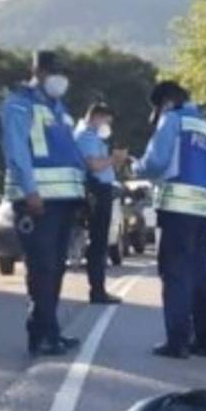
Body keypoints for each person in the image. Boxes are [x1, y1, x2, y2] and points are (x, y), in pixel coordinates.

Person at [0, 50, 86, 356]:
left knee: (56, 268)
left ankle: (51, 331)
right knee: (42, 267)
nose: (60, 80)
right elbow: (16, 150)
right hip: (37, 201)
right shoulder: (19, 104)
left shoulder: (58, 109)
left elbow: (69, 152)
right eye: (54, 73)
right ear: (37, 72)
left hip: (63, 200)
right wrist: (30, 190)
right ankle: (40, 335)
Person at [131, 81, 206, 359]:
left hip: (177, 209)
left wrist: (135, 166)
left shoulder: (172, 120)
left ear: (167, 103)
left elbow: (156, 163)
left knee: (176, 275)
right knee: (204, 277)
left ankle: (178, 342)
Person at [74, 102, 126, 305]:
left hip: (99, 190)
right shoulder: (86, 135)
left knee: (100, 243)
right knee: (98, 243)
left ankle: (99, 289)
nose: (108, 126)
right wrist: (113, 159)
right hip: (95, 190)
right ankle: (97, 291)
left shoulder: (92, 136)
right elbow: (94, 165)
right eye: (107, 121)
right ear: (97, 117)